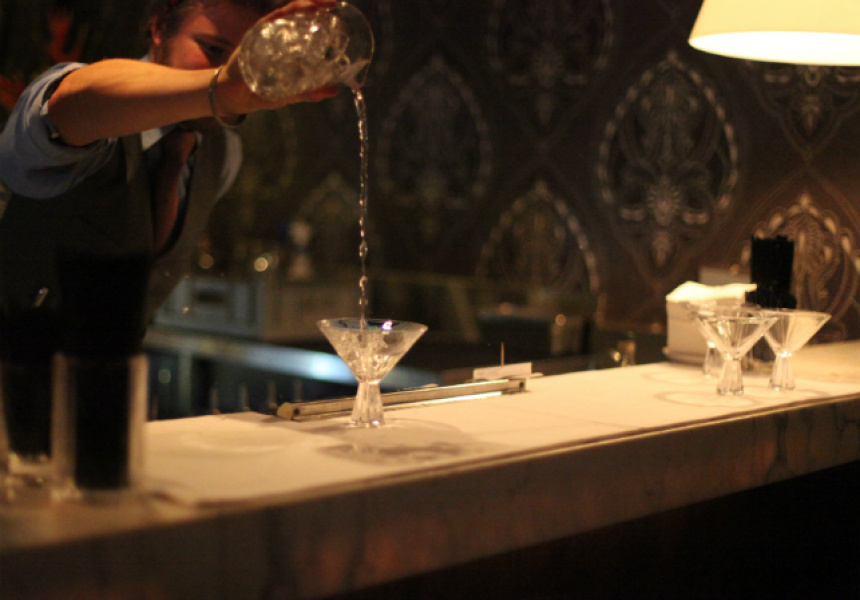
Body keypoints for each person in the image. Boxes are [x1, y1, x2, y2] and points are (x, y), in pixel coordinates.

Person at [0, 0, 337, 324]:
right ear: (159, 27)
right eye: (213, 49)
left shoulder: (223, 153)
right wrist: (218, 88)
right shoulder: (98, 101)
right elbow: (74, 101)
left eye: (247, 58)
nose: (235, 71)